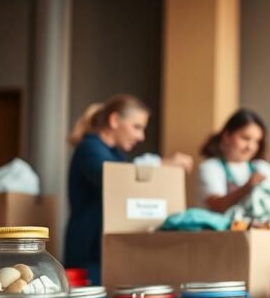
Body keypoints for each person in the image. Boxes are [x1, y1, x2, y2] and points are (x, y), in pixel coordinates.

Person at [65, 95, 193, 284]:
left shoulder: (116, 154)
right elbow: (115, 179)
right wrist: (161, 163)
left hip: (106, 250)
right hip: (88, 253)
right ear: (115, 120)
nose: (140, 137)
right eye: (137, 127)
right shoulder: (89, 148)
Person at [197, 109, 270, 213]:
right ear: (227, 136)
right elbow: (217, 205)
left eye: (257, 141)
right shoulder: (210, 167)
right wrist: (248, 186)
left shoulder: (262, 167)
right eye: (245, 138)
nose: (251, 147)